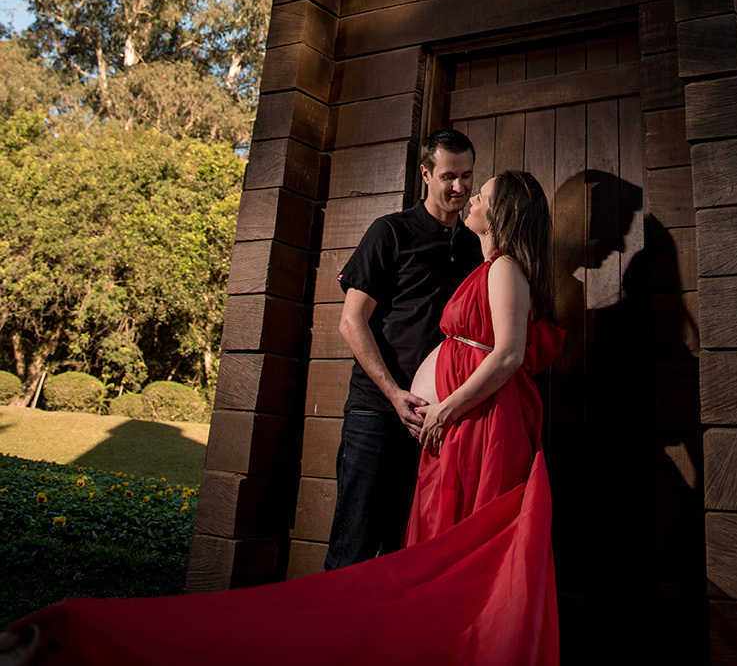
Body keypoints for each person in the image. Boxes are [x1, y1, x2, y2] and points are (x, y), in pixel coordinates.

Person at [0, 169, 562, 666]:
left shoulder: (504, 267)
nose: (472, 197)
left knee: (461, 550)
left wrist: (445, 406)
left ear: (503, 210)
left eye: (483, 192)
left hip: (474, 423)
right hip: (458, 425)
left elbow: (509, 354)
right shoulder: (469, 260)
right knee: (432, 549)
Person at [325, 128, 482, 567]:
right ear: (426, 174)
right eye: (449, 175)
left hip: (433, 420)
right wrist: (394, 394)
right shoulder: (389, 232)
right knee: (352, 547)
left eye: (467, 176)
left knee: (406, 548)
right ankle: (328, 636)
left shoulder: (473, 246)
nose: (460, 187)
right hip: (376, 411)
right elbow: (351, 322)